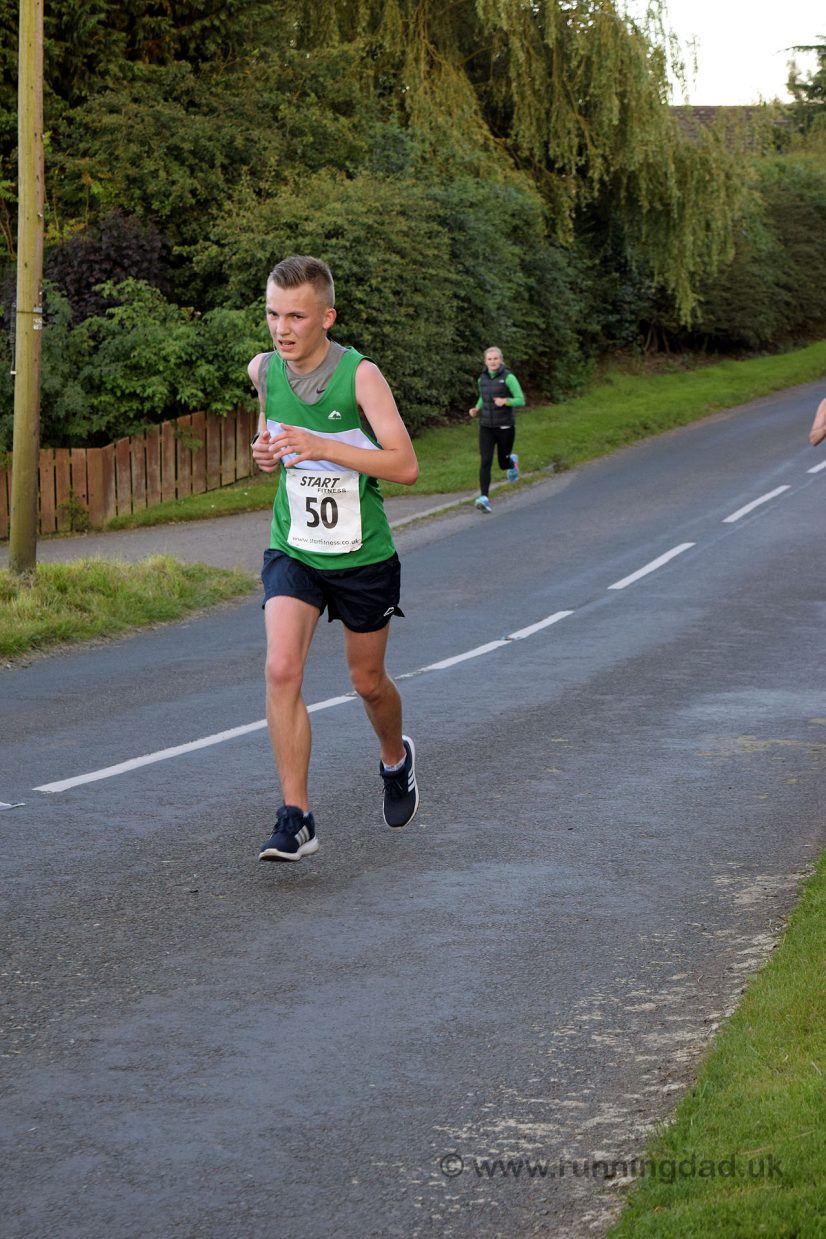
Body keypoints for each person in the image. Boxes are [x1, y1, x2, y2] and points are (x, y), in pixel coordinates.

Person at [249, 255, 420, 862]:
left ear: (327, 316)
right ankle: (296, 817)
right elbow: (270, 439)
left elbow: (405, 466)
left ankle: (394, 759)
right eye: (273, 313)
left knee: (366, 683)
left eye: (296, 315)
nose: (282, 327)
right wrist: (265, 455)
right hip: (294, 545)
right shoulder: (264, 371)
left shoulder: (361, 377)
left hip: (361, 555)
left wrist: (326, 446)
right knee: (280, 670)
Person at [468, 346, 526, 513]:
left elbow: (521, 400)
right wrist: (476, 408)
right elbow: (482, 397)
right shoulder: (482, 379)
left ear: (501, 360)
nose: (493, 362)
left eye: (495, 359)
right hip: (486, 426)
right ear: (485, 362)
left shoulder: (509, 378)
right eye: (490, 359)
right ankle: (484, 497)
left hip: (505, 426)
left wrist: (505, 401)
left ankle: (511, 463)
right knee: (485, 461)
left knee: (502, 463)